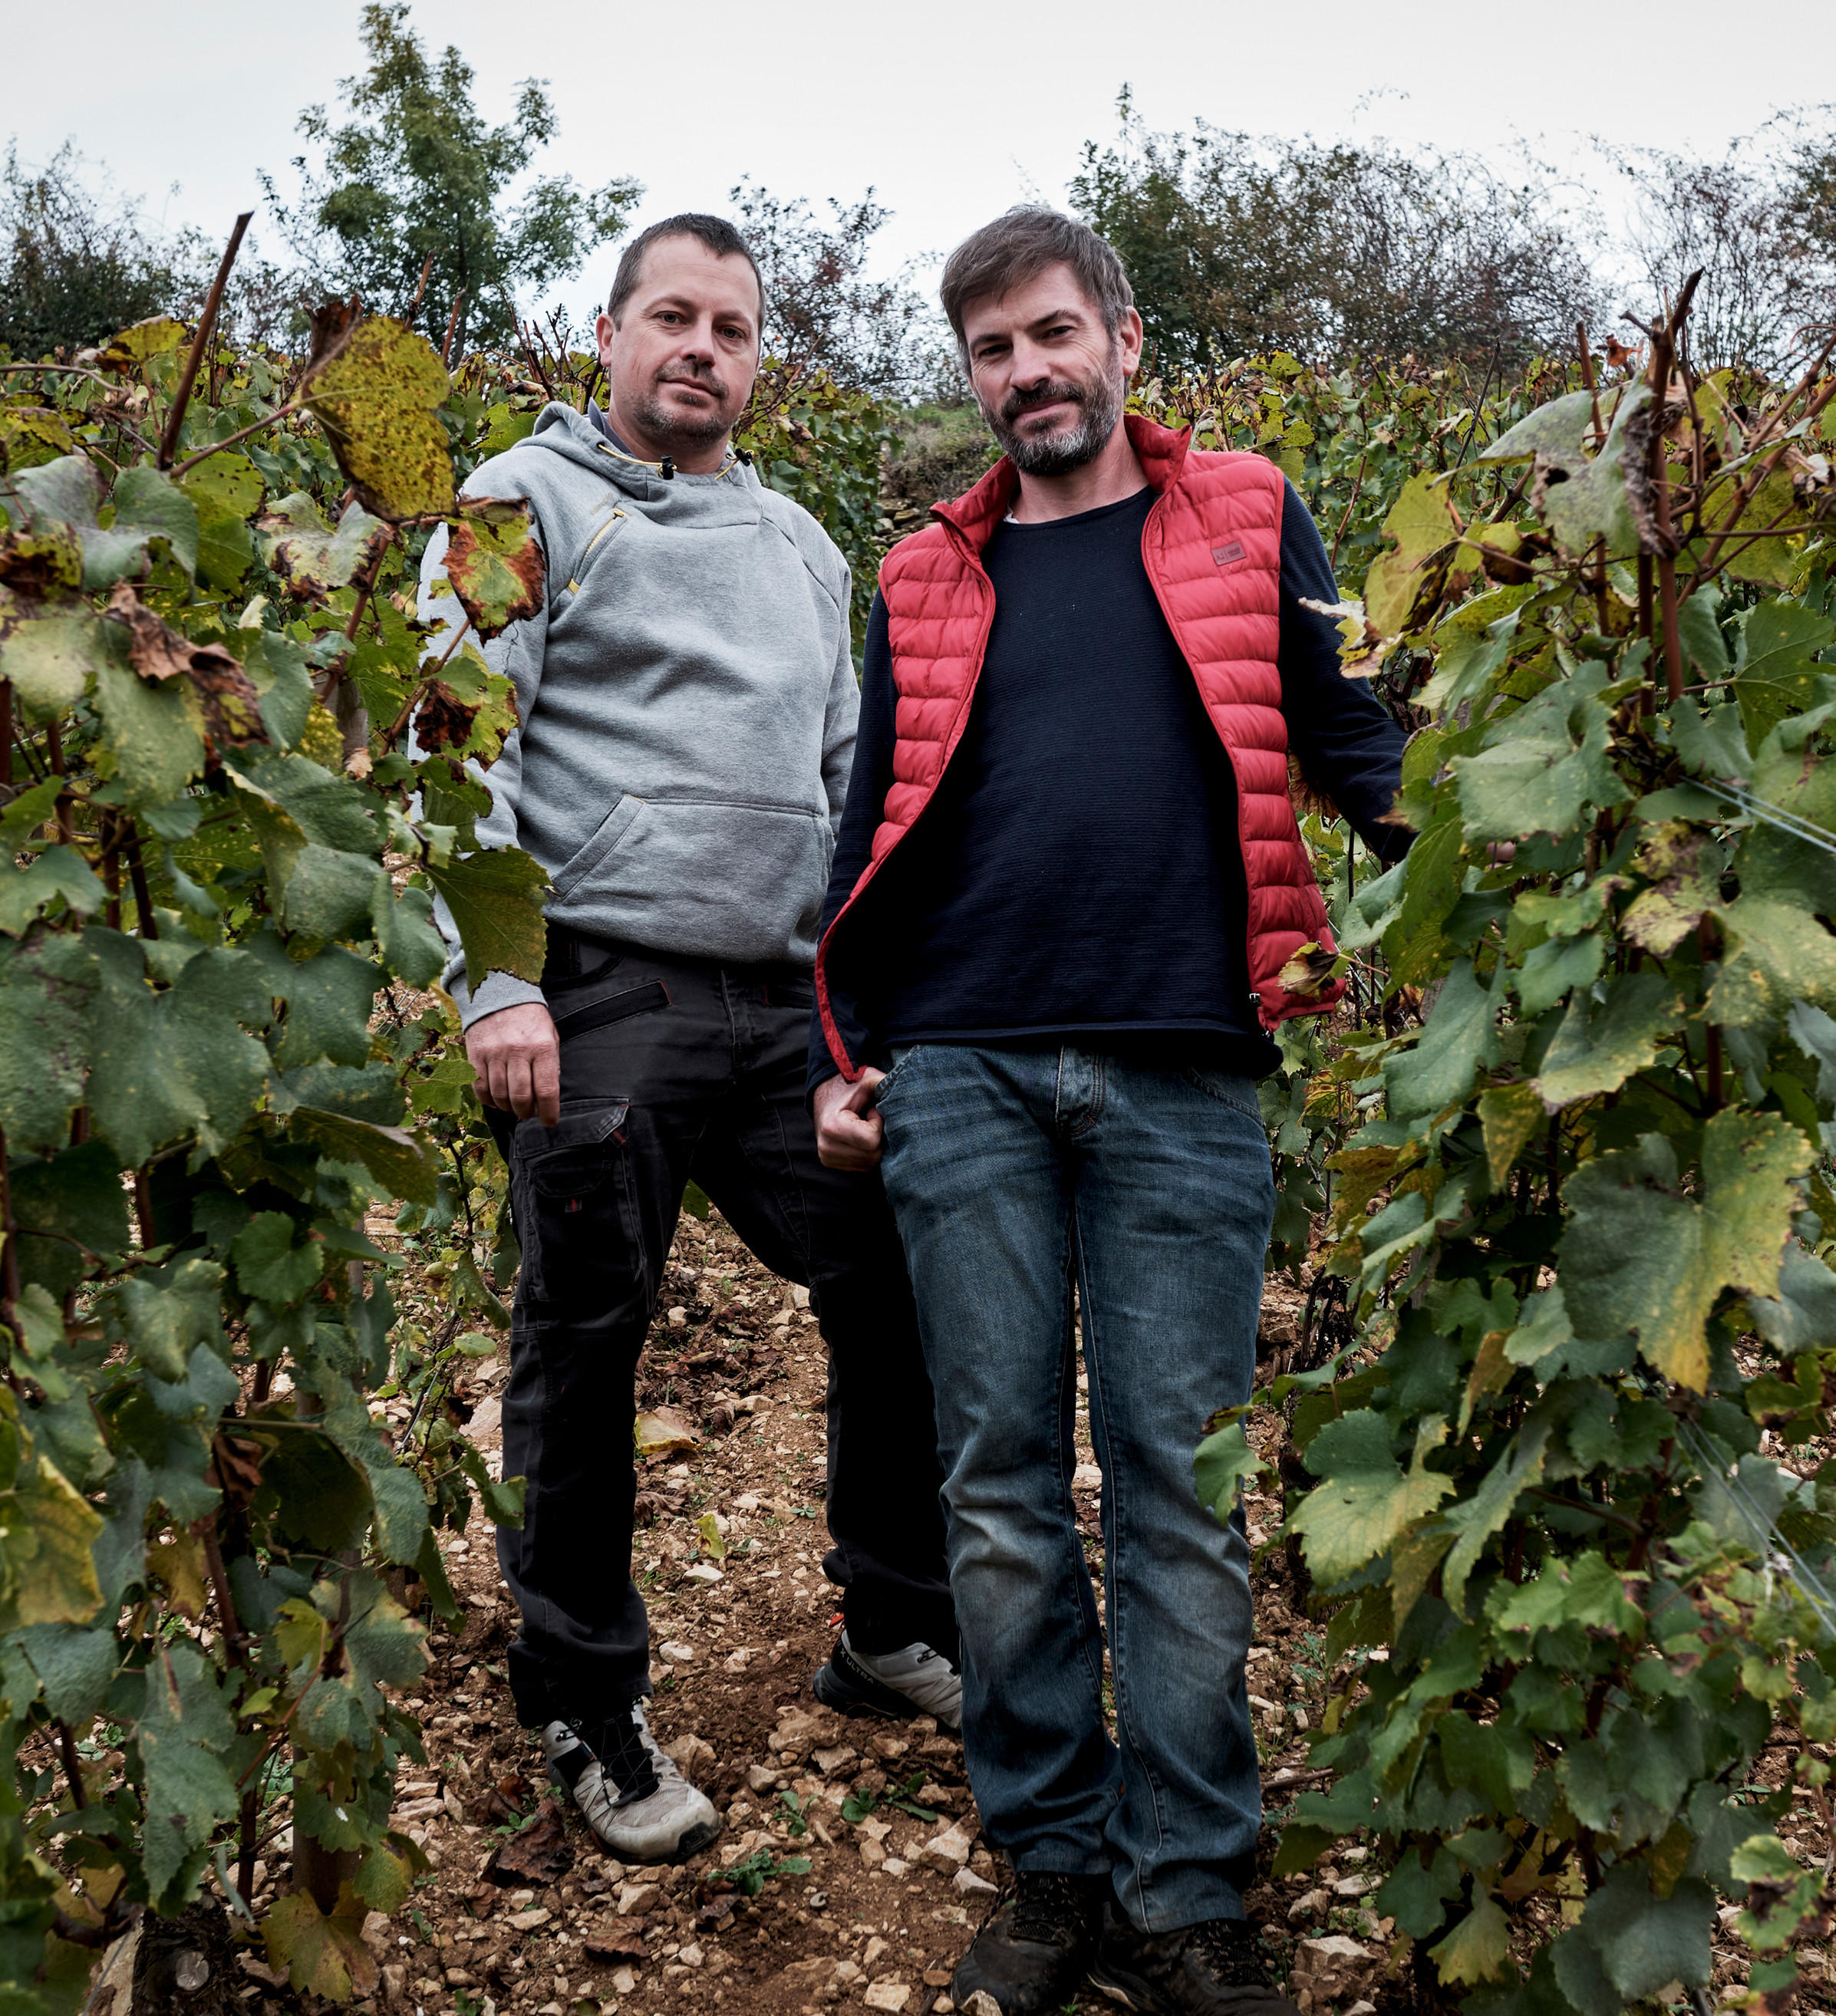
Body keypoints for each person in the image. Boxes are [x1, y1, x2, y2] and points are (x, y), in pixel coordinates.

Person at [809, 208, 1408, 2015]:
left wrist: (1492, 897)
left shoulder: (1244, 506)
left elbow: (1351, 736)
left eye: (1053, 336)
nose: (1027, 376)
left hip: (1184, 1060)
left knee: (1180, 1491)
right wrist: (846, 1050)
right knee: (995, 1487)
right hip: (967, 1067)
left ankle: (1191, 1885)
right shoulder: (920, 568)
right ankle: (1055, 1861)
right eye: (993, 352)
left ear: (1125, 341)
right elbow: (871, 829)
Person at [420, 214, 959, 1866]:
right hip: (605, 993)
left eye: (731, 326)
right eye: (673, 316)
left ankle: (889, 1619)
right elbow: (452, 747)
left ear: (758, 360)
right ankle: (586, 1704)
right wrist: (494, 983)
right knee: (590, 1339)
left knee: (906, 1267)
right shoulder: (522, 502)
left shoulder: (801, 542)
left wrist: (874, 1000)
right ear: (607, 332)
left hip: (785, 999)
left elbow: (852, 782)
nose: (702, 349)